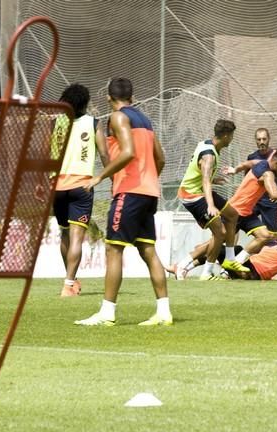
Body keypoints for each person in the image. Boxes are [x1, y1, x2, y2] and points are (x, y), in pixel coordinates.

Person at [75, 78, 172, 326]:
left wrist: (100, 176)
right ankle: (164, 312)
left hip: (129, 192)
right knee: (148, 250)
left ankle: (107, 313)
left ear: (108, 97)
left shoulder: (117, 118)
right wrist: (149, 179)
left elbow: (128, 152)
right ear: (133, 96)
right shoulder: (146, 121)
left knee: (113, 249)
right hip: (148, 192)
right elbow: (160, 158)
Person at [53, 83, 108, 297]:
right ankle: (68, 285)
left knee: (65, 235)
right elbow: (104, 154)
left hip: (57, 186)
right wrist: (110, 175)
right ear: (84, 103)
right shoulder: (93, 123)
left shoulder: (55, 123)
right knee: (77, 238)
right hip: (81, 185)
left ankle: (72, 280)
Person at [175, 119, 241, 280]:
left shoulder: (206, 144)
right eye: (231, 136)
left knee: (233, 215)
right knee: (220, 233)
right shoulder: (209, 155)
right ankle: (204, 272)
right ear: (225, 136)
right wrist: (211, 205)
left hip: (201, 190)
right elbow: (204, 179)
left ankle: (230, 259)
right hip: (192, 195)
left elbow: (201, 174)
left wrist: (214, 179)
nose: (232, 139)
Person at [220, 148, 277, 272]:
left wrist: (235, 169)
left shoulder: (261, 162)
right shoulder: (268, 173)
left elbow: (247, 164)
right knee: (215, 242)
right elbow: (274, 194)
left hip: (245, 212)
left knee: (266, 236)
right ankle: (187, 264)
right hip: (234, 211)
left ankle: (235, 262)